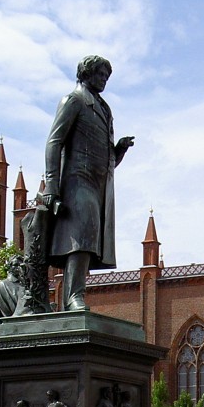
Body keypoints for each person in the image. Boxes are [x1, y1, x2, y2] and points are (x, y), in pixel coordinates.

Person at [43, 55, 135, 311]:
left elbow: (107, 161)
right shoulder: (73, 100)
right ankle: (73, 297)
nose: (104, 80)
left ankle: (73, 296)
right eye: (100, 74)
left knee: (90, 237)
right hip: (77, 181)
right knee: (80, 237)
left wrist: (119, 150)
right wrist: (51, 184)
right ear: (86, 73)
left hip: (98, 185)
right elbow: (54, 141)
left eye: (107, 76)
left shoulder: (103, 109)